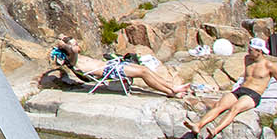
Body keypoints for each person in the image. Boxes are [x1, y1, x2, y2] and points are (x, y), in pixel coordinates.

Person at [186, 41, 277, 139]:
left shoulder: (269, 65)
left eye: (251, 50)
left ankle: (215, 130)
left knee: (235, 108)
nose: (248, 52)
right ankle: (198, 125)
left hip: (253, 94)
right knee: (219, 105)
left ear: (259, 51)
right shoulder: (247, 59)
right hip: (241, 90)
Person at [50, 39, 186, 97]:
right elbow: (66, 46)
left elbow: (67, 42)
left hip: (112, 66)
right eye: (74, 44)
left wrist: (65, 39)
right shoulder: (73, 59)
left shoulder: (76, 56)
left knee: (144, 68)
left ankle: (171, 87)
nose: (77, 45)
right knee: (143, 72)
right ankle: (170, 91)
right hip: (110, 71)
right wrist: (62, 44)